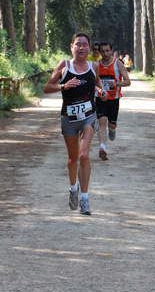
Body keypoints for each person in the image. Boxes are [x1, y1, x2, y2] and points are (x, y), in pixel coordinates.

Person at [43, 32, 108, 216]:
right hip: (69, 118)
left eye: (85, 44)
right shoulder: (65, 65)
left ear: (89, 48)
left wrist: (102, 92)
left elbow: (97, 84)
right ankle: (73, 189)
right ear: (71, 46)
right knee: (73, 159)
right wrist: (64, 86)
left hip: (88, 115)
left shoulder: (94, 66)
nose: (81, 48)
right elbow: (47, 88)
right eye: (78, 44)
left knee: (84, 155)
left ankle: (85, 199)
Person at [96, 41, 131, 161]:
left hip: (114, 99)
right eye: (102, 51)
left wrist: (116, 84)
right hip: (101, 98)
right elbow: (93, 82)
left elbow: (128, 81)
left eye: (107, 50)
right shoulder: (96, 65)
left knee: (112, 124)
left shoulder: (118, 64)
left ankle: (112, 129)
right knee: (102, 122)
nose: (105, 53)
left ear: (111, 51)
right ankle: (102, 148)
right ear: (99, 52)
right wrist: (99, 90)